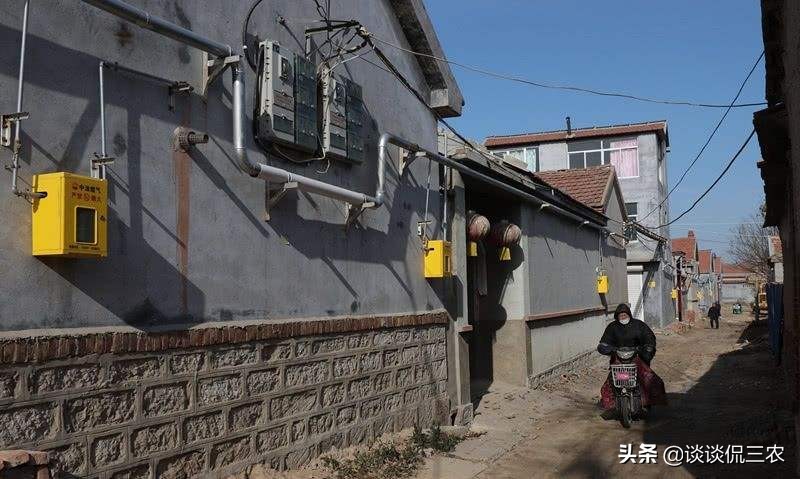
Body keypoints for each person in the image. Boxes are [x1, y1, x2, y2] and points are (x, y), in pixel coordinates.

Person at [597, 304, 667, 412]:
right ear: (617, 316)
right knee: (611, 380)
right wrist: (606, 347)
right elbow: (605, 341)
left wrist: (648, 346)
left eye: (625, 314)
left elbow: (649, 336)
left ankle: (647, 401)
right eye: (621, 315)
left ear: (629, 314)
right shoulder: (612, 327)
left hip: (636, 356)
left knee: (647, 378)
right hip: (618, 357)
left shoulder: (639, 325)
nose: (623, 317)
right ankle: (611, 402)